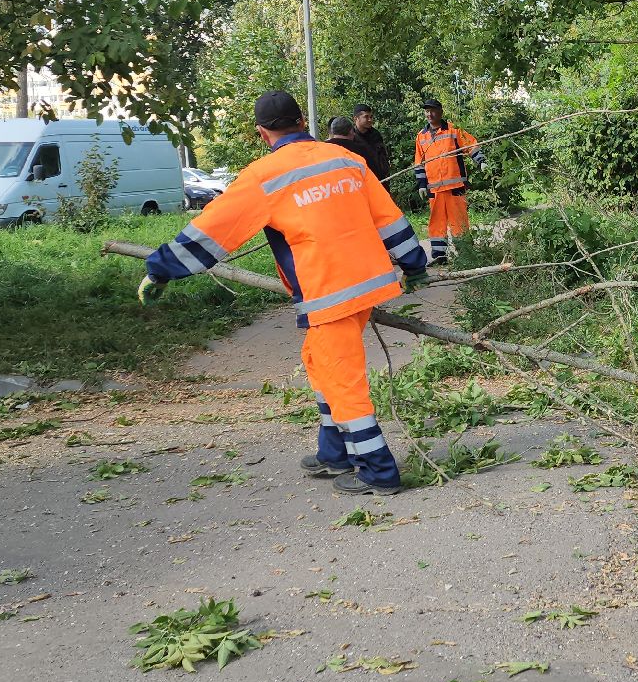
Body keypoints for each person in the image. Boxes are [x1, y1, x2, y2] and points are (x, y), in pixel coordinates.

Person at [139, 90, 428, 496]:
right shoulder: (348, 160)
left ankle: (378, 472)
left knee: (342, 380)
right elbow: (389, 219)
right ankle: (335, 454)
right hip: (367, 283)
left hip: (329, 292)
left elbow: (213, 230)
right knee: (318, 360)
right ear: (303, 123)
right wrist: (414, 264)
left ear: (262, 134)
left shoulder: (264, 176)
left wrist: (160, 270)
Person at [412, 97, 483, 264]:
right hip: (434, 189)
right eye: (427, 111)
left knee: (459, 222)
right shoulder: (421, 136)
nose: (429, 114)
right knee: (437, 224)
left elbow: (471, 145)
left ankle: (466, 254)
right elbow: (419, 163)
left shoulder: (453, 130)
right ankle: (440, 256)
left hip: (455, 186)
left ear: (440, 111)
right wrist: (422, 184)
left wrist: (481, 160)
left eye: (432, 110)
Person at [350, 103, 392, 184]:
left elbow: (383, 157)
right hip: (360, 181)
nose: (370, 120)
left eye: (371, 117)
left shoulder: (376, 135)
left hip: (379, 179)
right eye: (366, 117)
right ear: (356, 118)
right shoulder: (350, 137)